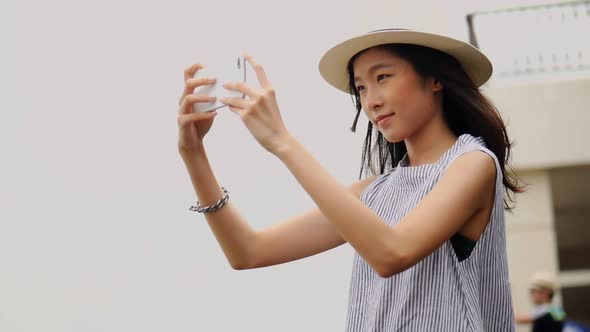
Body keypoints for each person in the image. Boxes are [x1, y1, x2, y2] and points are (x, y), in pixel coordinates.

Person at [176, 28, 524, 331]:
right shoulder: (376, 192)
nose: (370, 100)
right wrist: (194, 155)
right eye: (360, 88)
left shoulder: (472, 163)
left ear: (435, 78)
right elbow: (247, 251)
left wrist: (282, 141)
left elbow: (392, 252)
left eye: (382, 77)